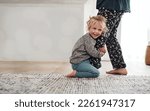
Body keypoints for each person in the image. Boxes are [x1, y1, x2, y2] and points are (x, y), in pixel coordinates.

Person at [90, 0, 130, 75]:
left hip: (109, 4)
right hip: (119, 4)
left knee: (98, 33)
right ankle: (120, 67)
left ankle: (91, 67)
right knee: (110, 36)